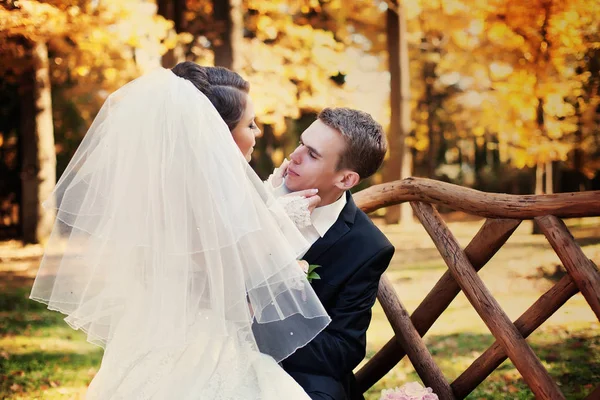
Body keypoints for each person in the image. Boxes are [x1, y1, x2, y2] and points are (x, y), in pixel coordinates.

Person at [30, 63, 331, 399]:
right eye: (250, 124)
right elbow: (230, 276)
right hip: (200, 348)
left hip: (147, 334)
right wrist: (279, 223)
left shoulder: (160, 190)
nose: (258, 132)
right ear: (218, 132)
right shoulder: (206, 197)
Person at [269, 108, 395, 400]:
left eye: (312, 154)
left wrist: (262, 322)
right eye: (301, 143)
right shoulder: (252, 194)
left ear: (346, 180)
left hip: (298, 372)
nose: (294, 157)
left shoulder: (366, 247)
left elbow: (341, 351)